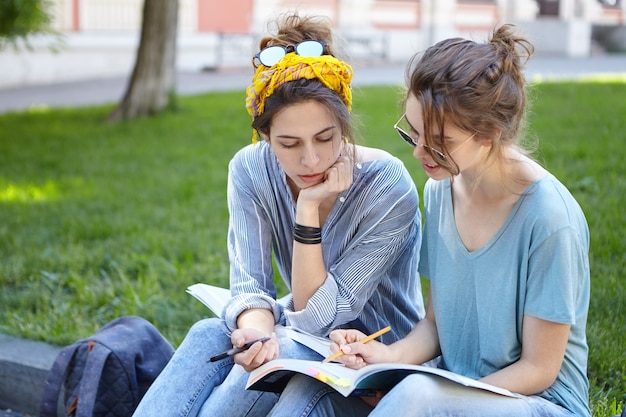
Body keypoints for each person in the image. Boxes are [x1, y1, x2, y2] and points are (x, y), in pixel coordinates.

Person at [266, 24, 590, 417]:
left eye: (439, 142)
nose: (420, 152)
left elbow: (539, 369)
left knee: (416, 394)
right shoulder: (441, 191)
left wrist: (443, 398)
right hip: (451, 388)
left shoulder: (550, 218)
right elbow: (436, 325)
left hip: (537, 403)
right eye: (413, 133)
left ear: (488, 134)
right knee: (307, 391)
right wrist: (385, 356)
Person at [131, 13, 426, 417]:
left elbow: (316, 316)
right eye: (289, 144)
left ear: (344, 125)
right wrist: (256, 333)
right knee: (209, 335)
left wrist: (307, 209)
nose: (311, 159)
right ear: (264, 136)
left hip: (377, 358)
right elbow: (250, 283)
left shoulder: (386, 185)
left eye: (326, 138)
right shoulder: (250, 168)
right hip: (307, 339)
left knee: (280, 347)